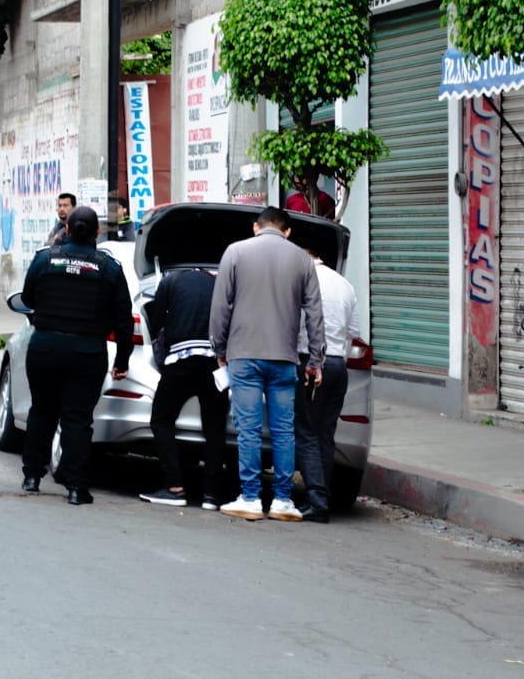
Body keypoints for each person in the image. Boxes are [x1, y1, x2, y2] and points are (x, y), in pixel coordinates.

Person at [210, 206, 324, 522]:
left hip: (244, 354)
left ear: (255, 228)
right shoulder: (302, 259)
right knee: (284, 430)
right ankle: (283, 500)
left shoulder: (235, 252)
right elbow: (315, 314)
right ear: (287, 231)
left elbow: (220, 306)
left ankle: (250, 497)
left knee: (248, 428)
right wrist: (315, 359)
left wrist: (219, 347)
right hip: (285, 357)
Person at [20, 205, 134, 505]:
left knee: (42, 411)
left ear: (66, 230)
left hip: (44, 348)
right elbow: (124, 320)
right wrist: (122, 361)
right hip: (87, 353)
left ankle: (31, 477)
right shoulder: (109, 268)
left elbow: (28, 298)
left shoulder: (44, 259)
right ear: (97, 232)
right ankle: (75, 488)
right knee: (78, 419)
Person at [138, 268, 232, 510]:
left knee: (161, 419)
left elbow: (158, 319)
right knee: (214, 427)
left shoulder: (171, 281)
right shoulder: (222, 285)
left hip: (180, 359)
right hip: (215, 362)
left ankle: (174, 488)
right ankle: (211, 495)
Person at [294, 245, 359, 523]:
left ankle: (317, 501)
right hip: (338, 366)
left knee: (306, 431)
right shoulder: (345, 284)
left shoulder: (302, 280)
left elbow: (293, 325)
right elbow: (354, 331)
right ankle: (323, 495)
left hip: (312, 362)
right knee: (325, 432)